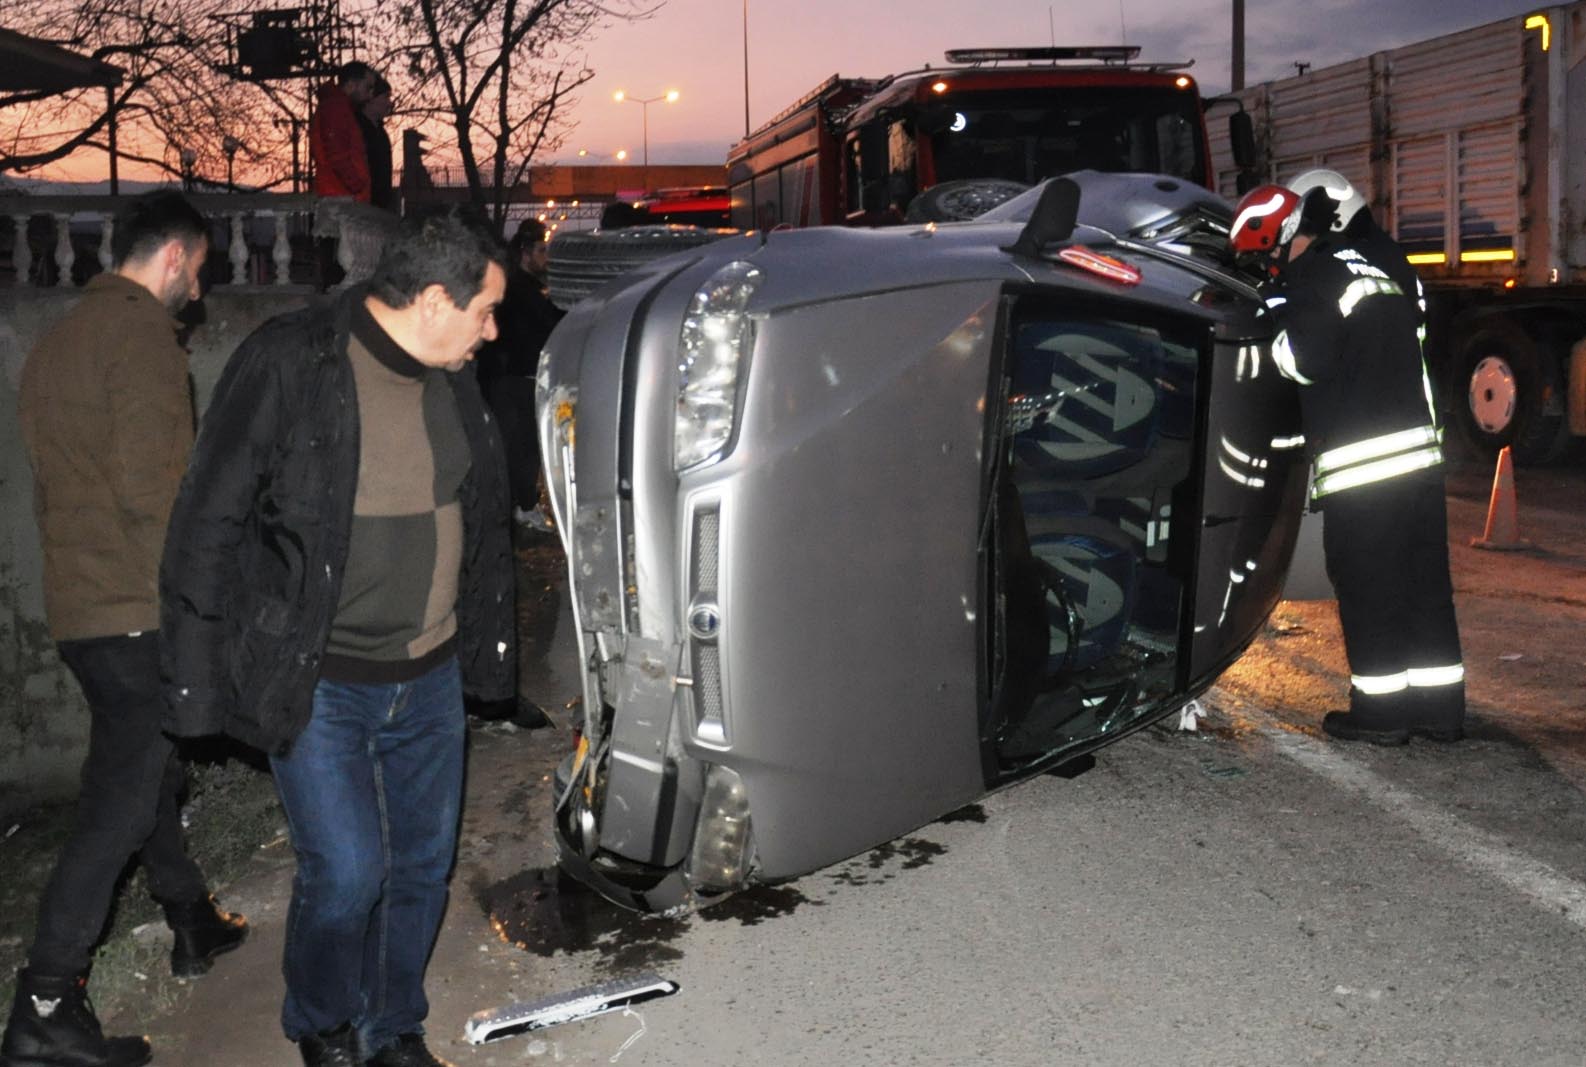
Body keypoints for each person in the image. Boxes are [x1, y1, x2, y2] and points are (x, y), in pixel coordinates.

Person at [159, 206, 516, 1067]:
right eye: (485, 311)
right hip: (323, 680)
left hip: (428, 674)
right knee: (349, 871)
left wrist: (488, 645)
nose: (494, 331)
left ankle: (393, 1027)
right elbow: (210, 513)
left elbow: (479, 515)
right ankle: (322, 1020)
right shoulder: (295, 360)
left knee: (423, 867)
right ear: (435, 300)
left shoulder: (452, 376)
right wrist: (196, 678)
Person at [6, 191, 249, 1067]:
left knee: (147, 770)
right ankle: (43, 1002)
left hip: (82, 607)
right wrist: (204, 609)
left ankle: (190, 918)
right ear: (179, 256)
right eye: (205, 265)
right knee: (118, 800)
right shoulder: (141, 337)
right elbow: (160, 497)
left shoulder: (59, 341)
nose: (203, 284)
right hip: (137, 609)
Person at [1230, 169, 1465, 745]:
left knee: (1368, 585)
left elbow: (1304, 362)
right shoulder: (1374, 268)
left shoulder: (1311, 278)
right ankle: (1440, 711)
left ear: (1287, 238)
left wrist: (1273, 316)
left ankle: (1381, 715)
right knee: (1423, 586)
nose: (1272, 267)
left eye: (1271, 257)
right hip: (1419, 459)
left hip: (1366, 469)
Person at [476, 218, 564, 531]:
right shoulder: (519, 291)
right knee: (521, 446)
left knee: (524, 445)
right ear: (525, 253)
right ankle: (522, 506)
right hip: (515, 378)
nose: (546, 258)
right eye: (541, 250)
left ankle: (522, 504)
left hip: (519, 376)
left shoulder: (527, 288)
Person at [310, 60, 381, 288]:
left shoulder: (335, 107)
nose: (369, 95)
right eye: (367, 87)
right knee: (342, 271)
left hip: (338, 195)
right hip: (341, 198)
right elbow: (338, 154)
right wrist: (358, 185)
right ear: (352, 84)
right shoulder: (336, 108)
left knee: (339, 268)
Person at [357, 75, 396, 213]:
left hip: (377, 206)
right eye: (385, 97)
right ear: (370, 99)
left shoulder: (380, 131)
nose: (389, 103)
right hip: (363, 206)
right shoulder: (356, 130)